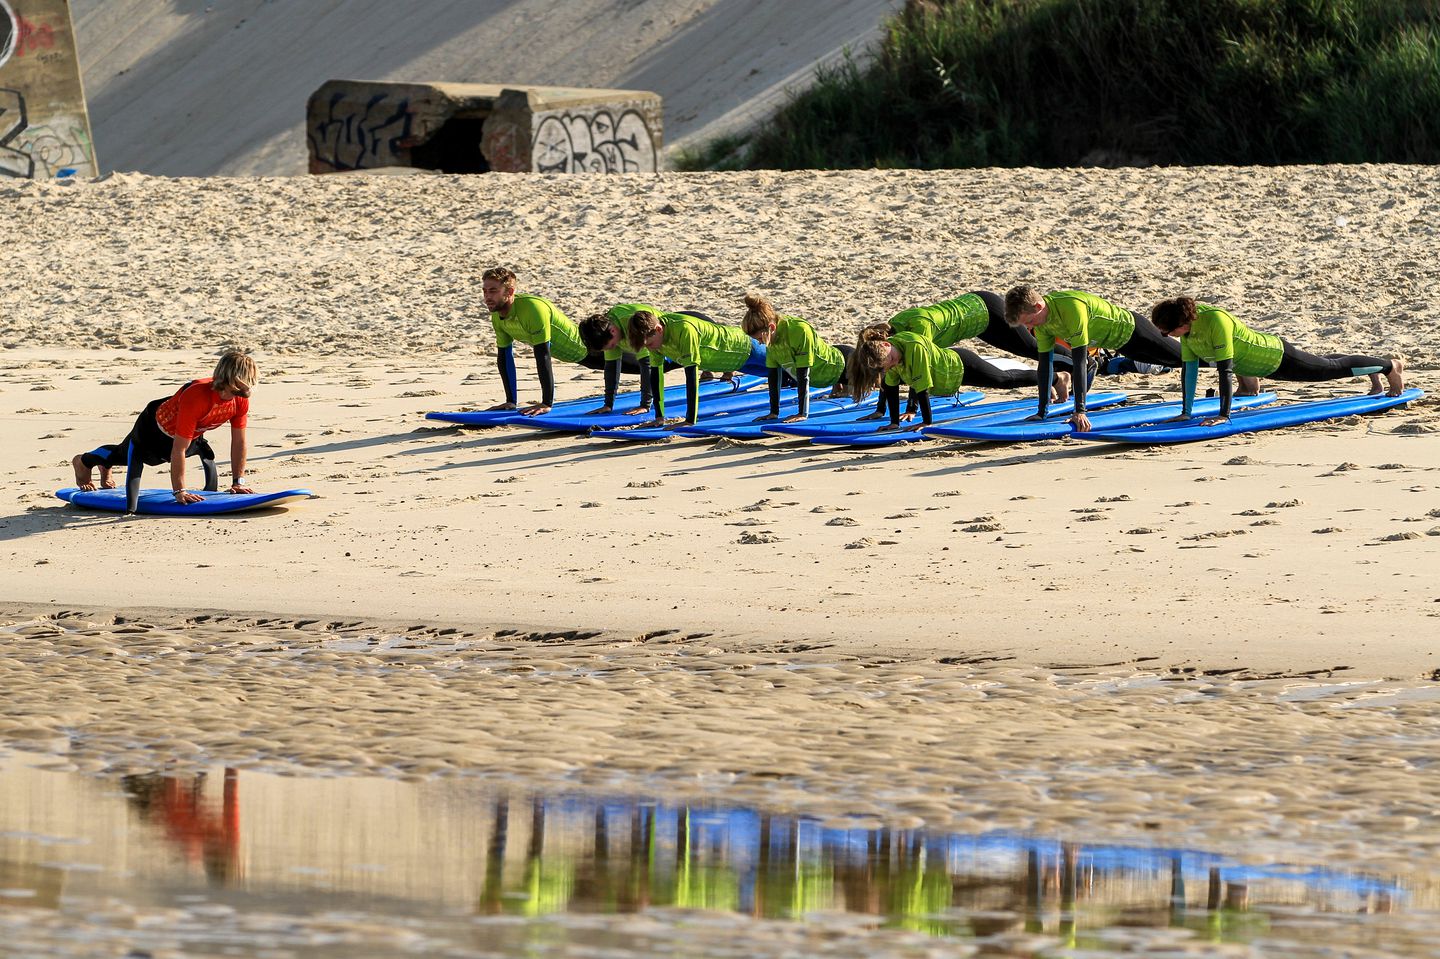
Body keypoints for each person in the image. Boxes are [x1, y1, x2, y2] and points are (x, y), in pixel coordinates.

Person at [1150, 296, 1406, 425]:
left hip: (1274, 357)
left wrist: (1223, 416)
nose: (1165, 336)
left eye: (1167, 332)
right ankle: (1372, 368)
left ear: (1183, 323)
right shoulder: (1187, 332)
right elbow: (1190, 372)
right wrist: (1186, 413)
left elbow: (1225, 371)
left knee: (1326, 370)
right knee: (1324, 362)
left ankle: (1388, 367)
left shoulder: (1215, 320)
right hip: (1256, 365)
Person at [70, 351, 257, 514]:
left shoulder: (239, 400)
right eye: (243, 383)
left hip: (190, 433)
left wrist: (238, 482)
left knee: (202, 451)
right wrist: (179, 491)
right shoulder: (197, 397)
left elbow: (239, 442)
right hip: (153, 429)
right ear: (231, 379)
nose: (246, 389)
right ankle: (84, 461)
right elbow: (178, 448)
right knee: (124, 454)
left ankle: (105, 466)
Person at [1005, 286, 1182, 432]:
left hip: (1135, 331)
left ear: (1038, 307)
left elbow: (1080, 362)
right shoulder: (1042, 324)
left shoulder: (1071, 307)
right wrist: (1042, 412)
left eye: (1028, 321)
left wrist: (1080, 412)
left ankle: (1210, 361)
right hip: (1122, 346)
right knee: (1171, 362)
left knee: (1182, 359)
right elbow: (1044, 365)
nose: (1028, 327)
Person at [848, 326, 1061, 432]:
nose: (893, 364)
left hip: (961, 366)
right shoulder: (889, 357)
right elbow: (891, 387)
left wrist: (927, 422)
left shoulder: (914, 347)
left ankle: (1054, 379)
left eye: (892, 359)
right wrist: (894, 423)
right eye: (889, 364)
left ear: (887, 345)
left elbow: (922, 388)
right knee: (1005, 379)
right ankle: (1049, 379)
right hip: (949, 378)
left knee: (1006, 381)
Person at [627, 310, 769, 427]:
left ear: (658, 329)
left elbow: (692, 377)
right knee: (776, 375)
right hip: (736, 364)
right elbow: (656, 377)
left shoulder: (684, 329)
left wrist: (689, 421)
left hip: (746, 347)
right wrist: (659, 417)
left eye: (649, 344)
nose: (649, 348)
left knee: (786, 371)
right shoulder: (654, 340)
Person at [482, 266, 590, 416]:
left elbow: (542, 355)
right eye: (485, 291)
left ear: (510, 292)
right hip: (568, 356)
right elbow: (505, 357)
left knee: (631, 366)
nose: (487, 297)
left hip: (589, 347)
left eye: (493, 291)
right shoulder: (497, 316)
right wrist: (511, 401)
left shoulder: (532, 309)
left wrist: (546, 403)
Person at [739, 294, 852, 423]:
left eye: (759, 339)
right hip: (825, 376)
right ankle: (839, 387)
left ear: (771, 328)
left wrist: (802, 413)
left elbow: (803, 375)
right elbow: (774, 378)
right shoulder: (770, 338)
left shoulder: (798, 330)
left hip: (845, 366)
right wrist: (773, 413)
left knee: (876, 384)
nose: (759, 343)